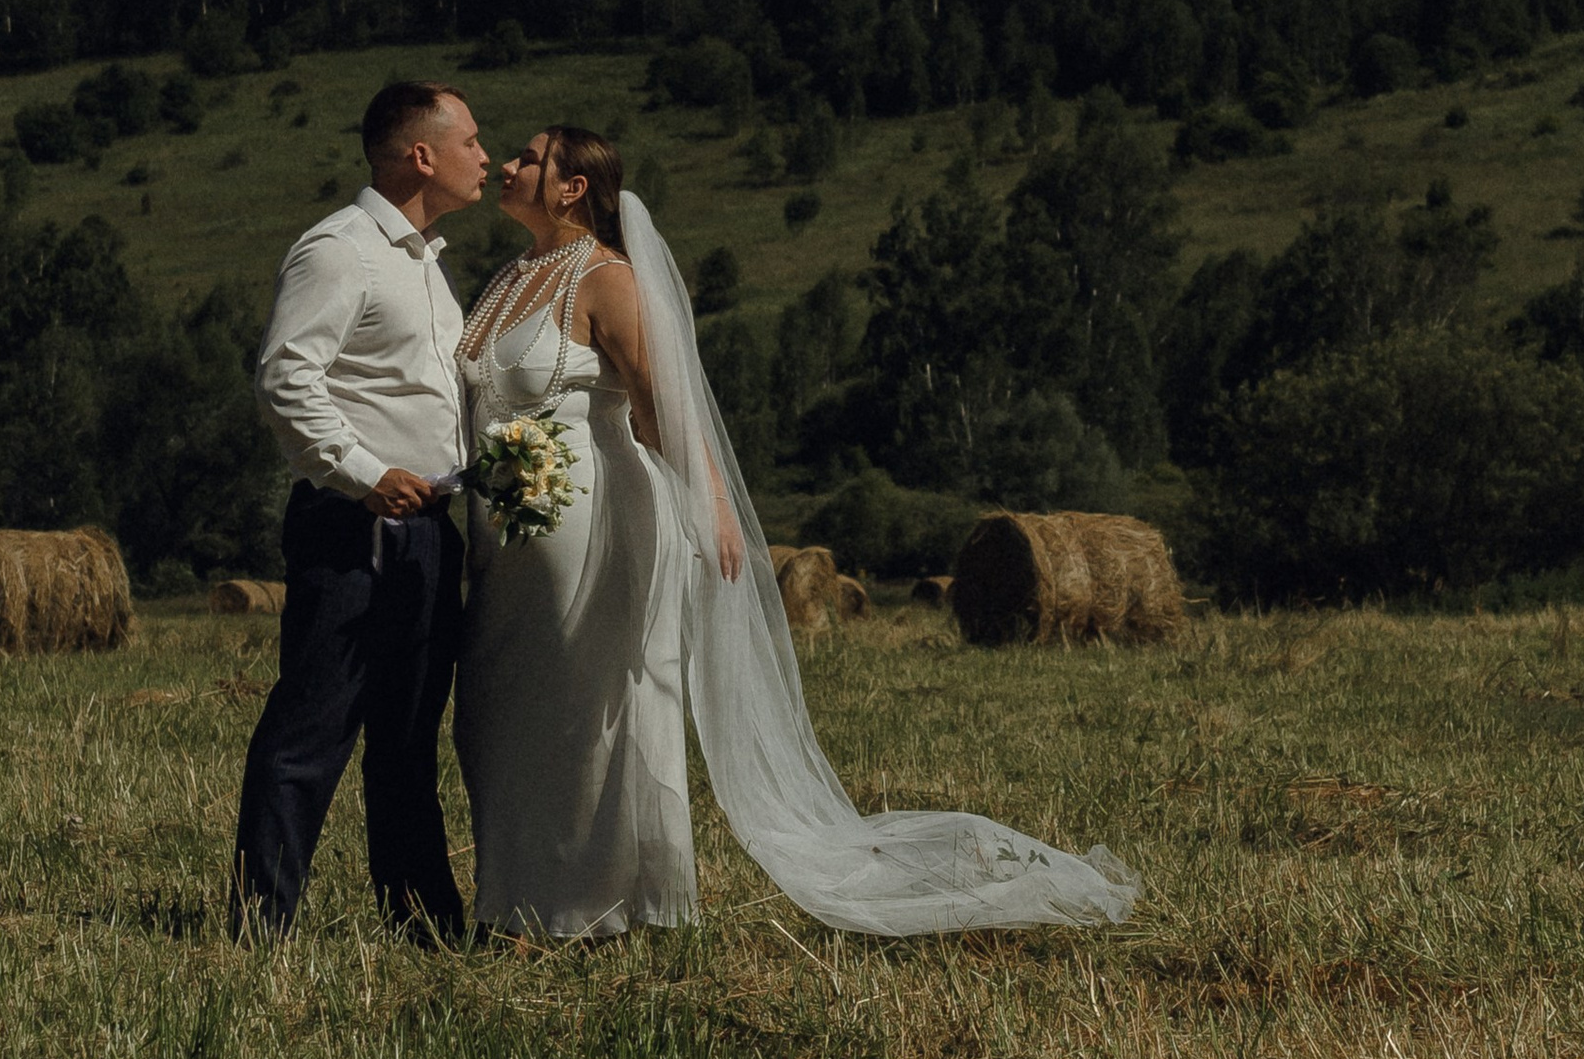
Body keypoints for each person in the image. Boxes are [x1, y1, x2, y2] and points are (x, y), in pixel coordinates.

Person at [453, 124, 1138, 943]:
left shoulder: (606, 278)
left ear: (571, 187)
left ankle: (590, 906)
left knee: (585, 712)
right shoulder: (506, 278)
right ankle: (511, 895)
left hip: (598, 525)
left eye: (530, 156)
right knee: (502, 709)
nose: (508, 163)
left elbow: (658, 403)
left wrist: (711, 500)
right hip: (505, 536)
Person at [230, 78, 490, 939]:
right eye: (471, 142)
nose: (485, 158)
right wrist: (362, 471)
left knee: (410, 737)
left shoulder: (425, 262)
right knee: (311, 730)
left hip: (427, 531)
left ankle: (421, 923)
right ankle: (260, 924)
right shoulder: (339, 249)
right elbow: (284, 375)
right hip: (353, 526)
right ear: (421, 154)